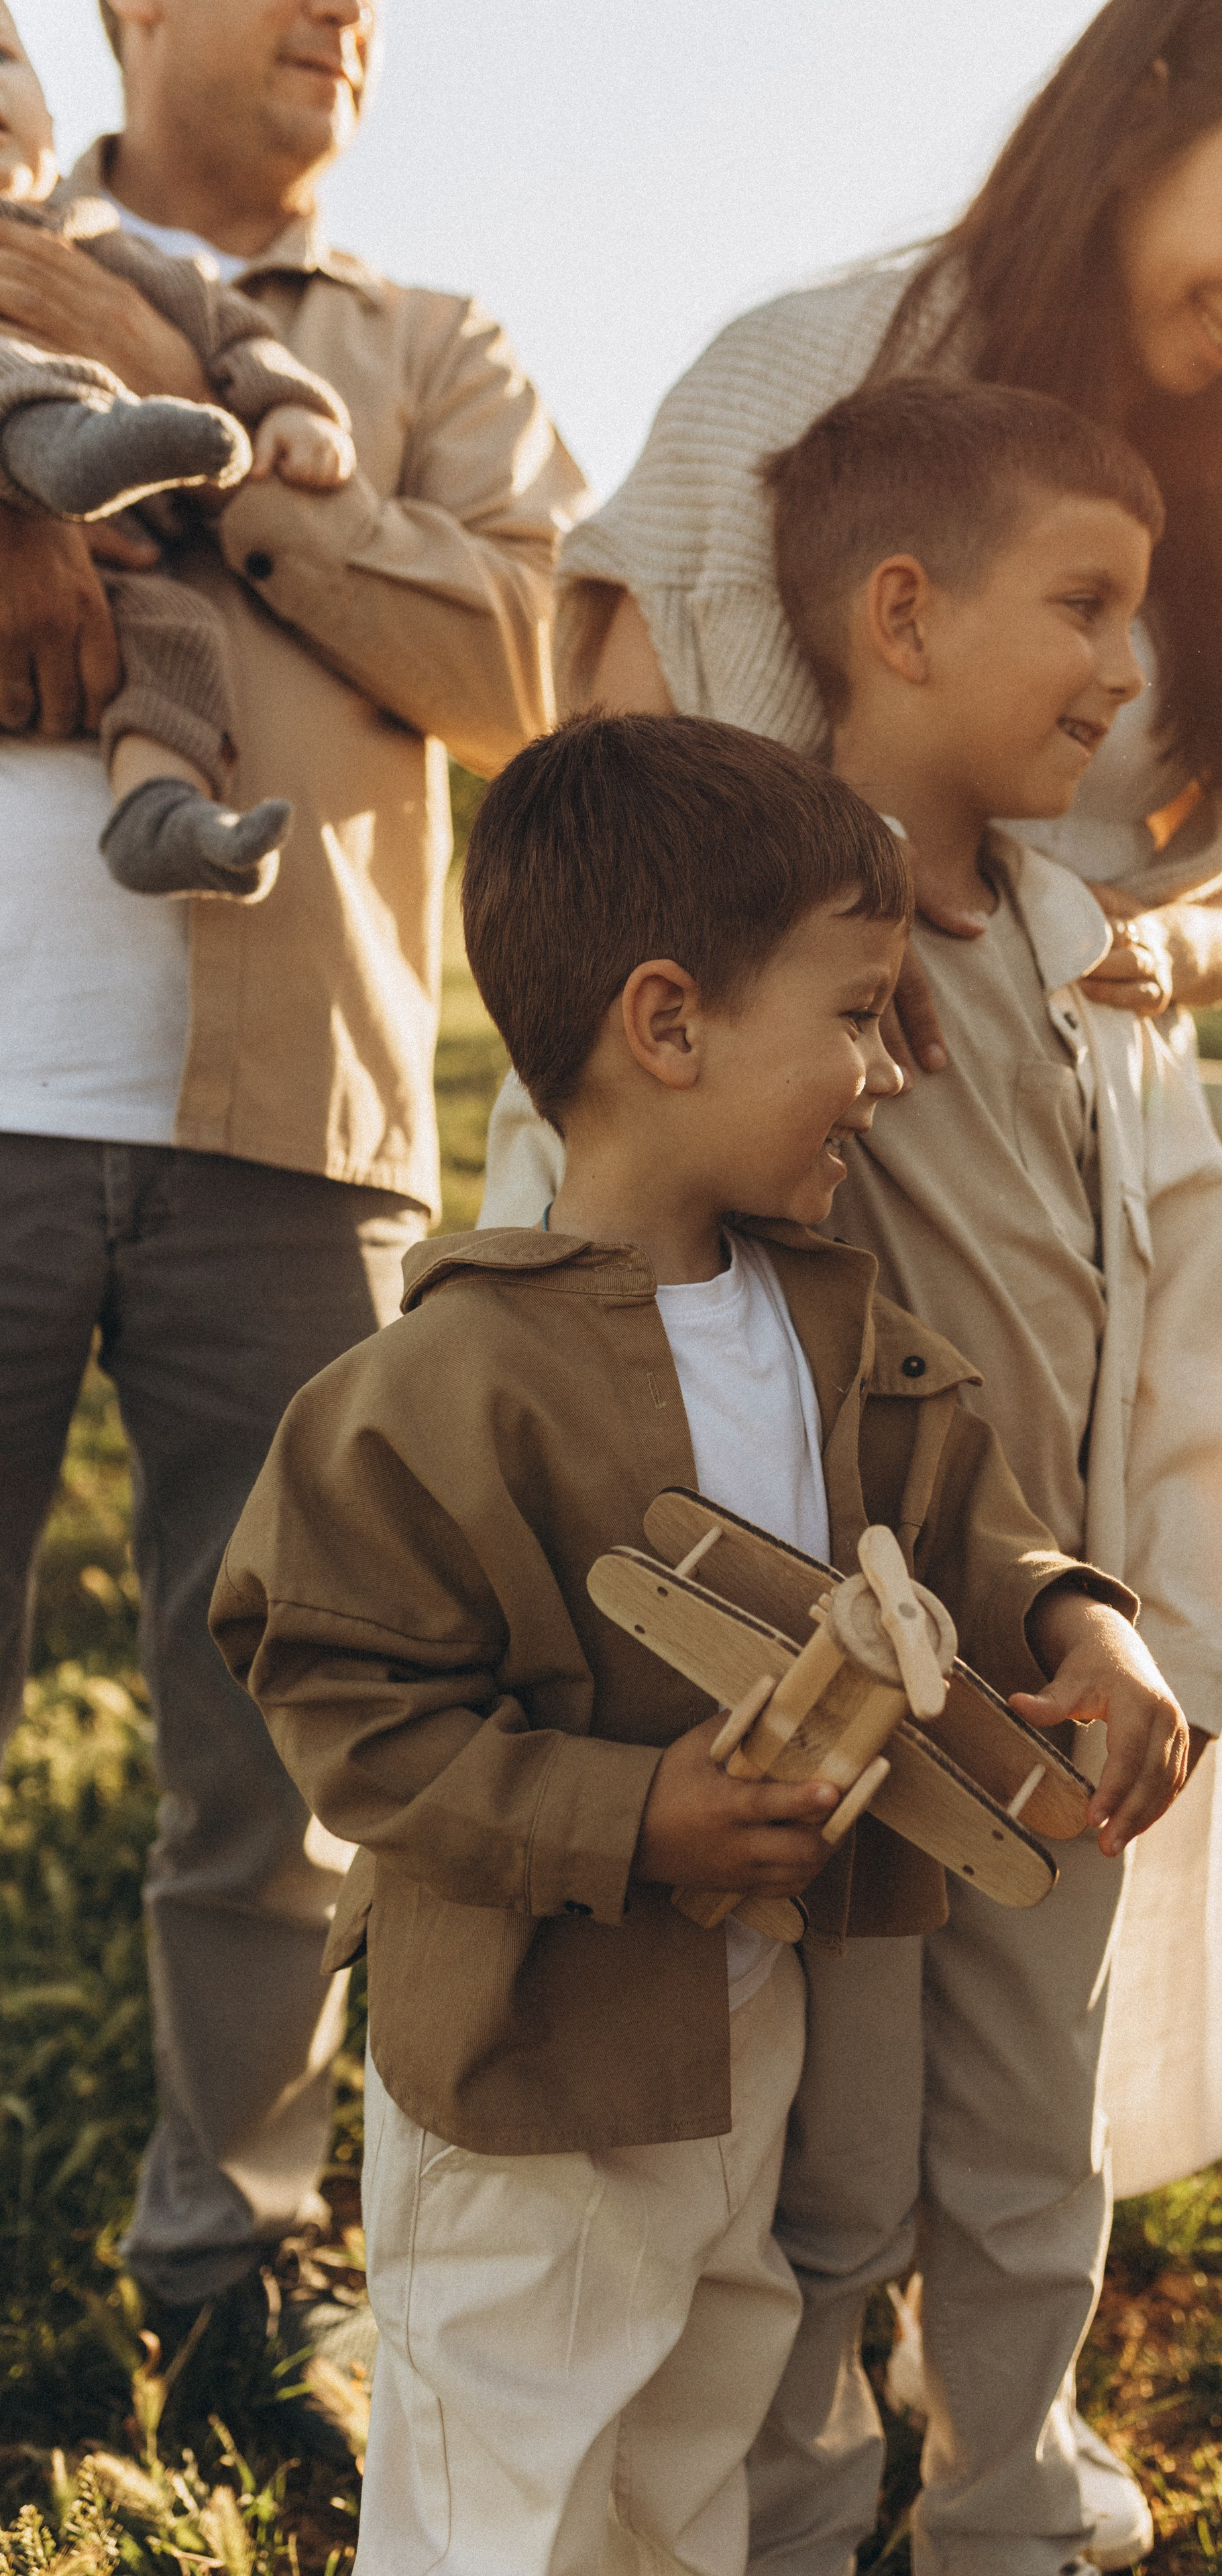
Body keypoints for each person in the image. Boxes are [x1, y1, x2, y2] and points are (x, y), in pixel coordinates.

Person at [480, 3, 1222, 2567]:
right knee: (804, 2084)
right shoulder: (819, 380)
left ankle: (1001, 2482)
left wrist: (1153, 959)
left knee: (1017, 2038)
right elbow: (610, 804)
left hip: (1060, 1282)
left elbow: (1197, 880)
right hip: (818, 1369)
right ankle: (747, 2490)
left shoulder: (1206, 510)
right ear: (1149, 118)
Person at [211, 709, 1192, 2576]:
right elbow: (343, 1699)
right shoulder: (438, 1389)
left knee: (693, 2445)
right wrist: (624, 1816)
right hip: (530, 2071)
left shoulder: (825, 1319)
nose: (882, 1074)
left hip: (742, 2054)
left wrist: (1080, 1617)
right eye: (852, 1016)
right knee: (507, 2475)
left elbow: (955, 1509)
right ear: (667, 1026)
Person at [0, 0, 584, 2322]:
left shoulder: (426, 346)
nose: (351, 14)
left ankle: (228, 2262)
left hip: (291, 1135)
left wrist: (204, 457)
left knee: (287, 1759)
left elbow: (531, 651)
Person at [0, 1, 356, 899]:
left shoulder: (93, 242)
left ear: (48, 114)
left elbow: (228, 330)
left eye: (3, 60)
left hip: (125, 569)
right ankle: (65, 442)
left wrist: (286, 404)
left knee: (179, 631)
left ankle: (162, 811)